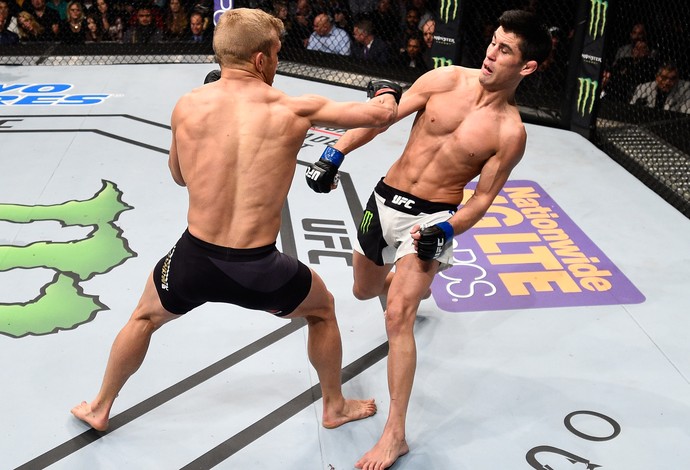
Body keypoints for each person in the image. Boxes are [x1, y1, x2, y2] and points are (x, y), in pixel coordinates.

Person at [71, 7, 403, 436]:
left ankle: (99, 406)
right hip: (259, 270)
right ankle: (334, 406)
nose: (278, 62)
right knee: (322, 311)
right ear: (262, 59)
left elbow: (178, 176)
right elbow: (381, 116)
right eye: (278, 54)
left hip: (193, 258)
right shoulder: (293, 107)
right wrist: (385, 90)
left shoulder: (187, 105)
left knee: (143, 319)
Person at [304, 9, 551, 469]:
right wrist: (336, 151)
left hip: (432, 220)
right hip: (384, 201)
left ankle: (394, 434)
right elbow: (384, 117)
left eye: (505, 50)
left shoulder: (510, 133)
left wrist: (446, 228)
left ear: (527, 67)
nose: (491, 54)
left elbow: (481, 201)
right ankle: (403, 279)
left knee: (398, 315)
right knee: (364, 290)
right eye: (493, 42)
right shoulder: (444, 80)